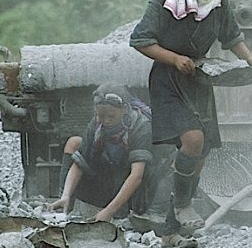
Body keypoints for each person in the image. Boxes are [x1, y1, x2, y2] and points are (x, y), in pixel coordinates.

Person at [129, 0, 252, 248]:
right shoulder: (162, 0)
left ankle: (172, 230)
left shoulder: (219, 1)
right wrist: (174, 58)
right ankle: (182, 206)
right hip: (169, 78)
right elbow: (141, 40)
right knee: (192, 140)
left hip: (200, 79)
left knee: (198, 154)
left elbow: (232, 36)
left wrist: (251, 60)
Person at [49, 84, 170, 223]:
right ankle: (65, 206)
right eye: (101, 116)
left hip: (142, 185)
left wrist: (108, 211)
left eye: (111, 116)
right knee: (74, 142)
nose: (105, 121)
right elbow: (80, 162)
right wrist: (66, 195)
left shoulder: (141, 126)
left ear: (124, 109)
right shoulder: (96, 124)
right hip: (112, 176)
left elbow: (137, 176)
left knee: (127, 213)